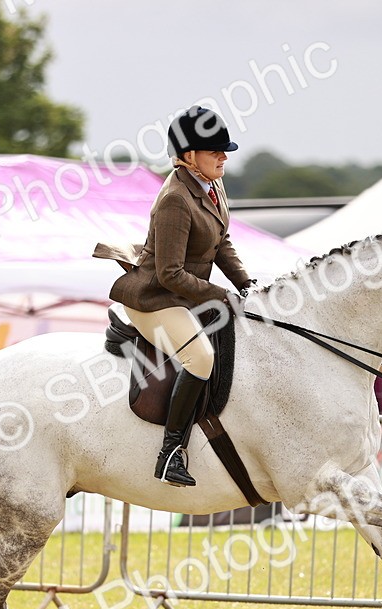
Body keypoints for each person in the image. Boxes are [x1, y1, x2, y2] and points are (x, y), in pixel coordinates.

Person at [109, 106, 256, 487]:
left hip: (184, 295)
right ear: (189, 156)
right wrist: (222, 295)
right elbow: (169, 274)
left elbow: (222, 243)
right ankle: (171, 452)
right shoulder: (176, 198)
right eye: (215, 151)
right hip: (156, 298)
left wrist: (248, 286)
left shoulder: (211, 185)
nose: (224, 157)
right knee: (201, 357)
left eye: (225, 151)